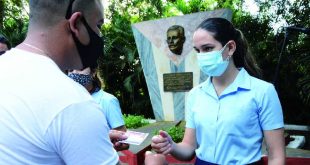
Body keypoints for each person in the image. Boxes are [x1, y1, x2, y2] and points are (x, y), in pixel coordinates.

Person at [0, 0, 128, 164]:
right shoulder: (73, 102)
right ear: (76, 24)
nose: (100, 35)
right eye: (99, 26)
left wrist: (90, 141)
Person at [151, 18, 285, 165]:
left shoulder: (263, 92)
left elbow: (276, 156)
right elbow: (189, 148)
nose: (201, 55)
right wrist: (171, 146)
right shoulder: (196, 95)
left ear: (230, 48)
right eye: (198, 50)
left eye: (208, 48)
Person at [68, 67, 127, 132]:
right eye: (71, 70)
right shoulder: (69, 101)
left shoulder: (108, 100)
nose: (75, 73)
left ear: (93, 72)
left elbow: (121, 133)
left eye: (80, 69)